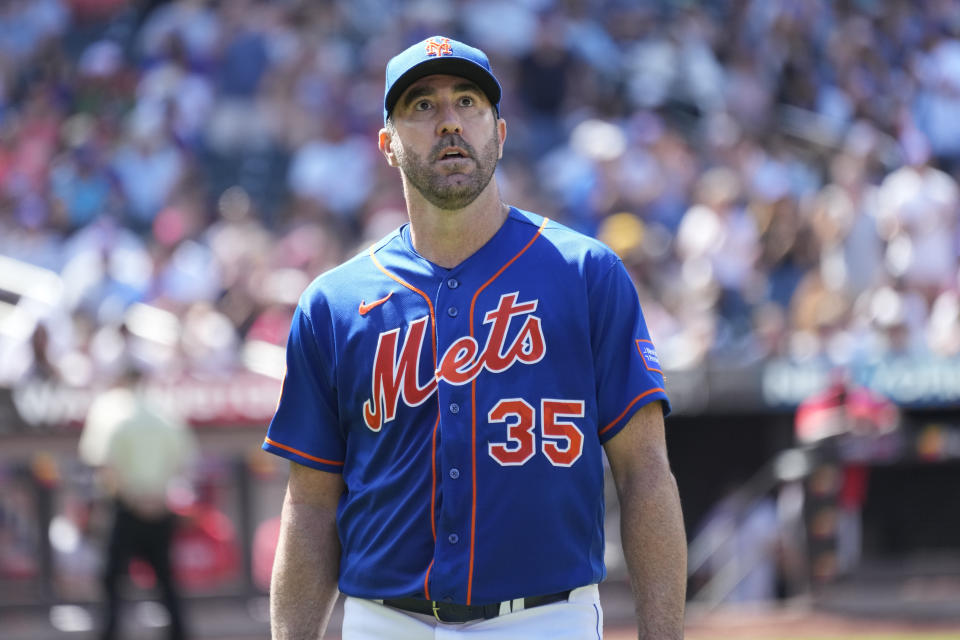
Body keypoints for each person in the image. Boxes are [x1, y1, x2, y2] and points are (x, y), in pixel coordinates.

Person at [262, 35, 687, 639]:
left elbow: (646, 474)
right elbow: (309, 507)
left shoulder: (587, 274)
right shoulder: (333, 304)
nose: (450, 123)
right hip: (385, 622)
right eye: (422, 107)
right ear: (387, 144)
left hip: (546, 619)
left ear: (501, 133)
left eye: (468, 102)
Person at [79, 367, 196, 640]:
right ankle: (178, 633)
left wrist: (132, 496)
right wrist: (157, 494)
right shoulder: (165, 413)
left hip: (125, 506)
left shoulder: (109, 411)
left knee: (112, 579)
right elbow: (185, 458)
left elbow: (102, 463)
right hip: (159, 505)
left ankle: (110, 633)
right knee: (166, 580)